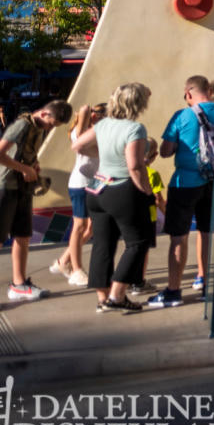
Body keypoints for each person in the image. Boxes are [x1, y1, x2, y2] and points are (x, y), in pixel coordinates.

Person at [146, 76, 214, 308]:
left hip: (185, 182)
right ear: (209, 90)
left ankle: (174, 290)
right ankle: (203, 280)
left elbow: (166, 151)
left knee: (178, 236)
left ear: (189, 93)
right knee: (207, 232)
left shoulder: (182, 116)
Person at [0, 99, 73, 313]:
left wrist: (33, 166)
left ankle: (19, 284)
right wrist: (24, 169)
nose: (51, 128)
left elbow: (24, 154)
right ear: (45, 114)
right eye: (52, 124)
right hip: (2, 187)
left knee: (22, 236)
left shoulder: (38, 129)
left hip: (22, 188)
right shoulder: (21, 125)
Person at [75, 83, 155, 314]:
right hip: (123, 190)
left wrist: (102, 155)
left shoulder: (104, 125)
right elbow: (135, 166)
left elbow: (78, 145)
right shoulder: (135, 129)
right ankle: (117, 295)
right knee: (138, 243)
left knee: (103, 244)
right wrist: (147, 190)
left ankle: (103, 298)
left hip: (97, 190)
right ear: (138, 104)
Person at [53, 102, 104, 286]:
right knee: (80, 226)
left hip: (95, 182)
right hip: (80, 183)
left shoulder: (99, 131)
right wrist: (85, 112)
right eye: (101, 115)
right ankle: (76, 270)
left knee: (91, 228)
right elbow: (82, 116)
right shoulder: (78, 133)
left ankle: (63, 261)